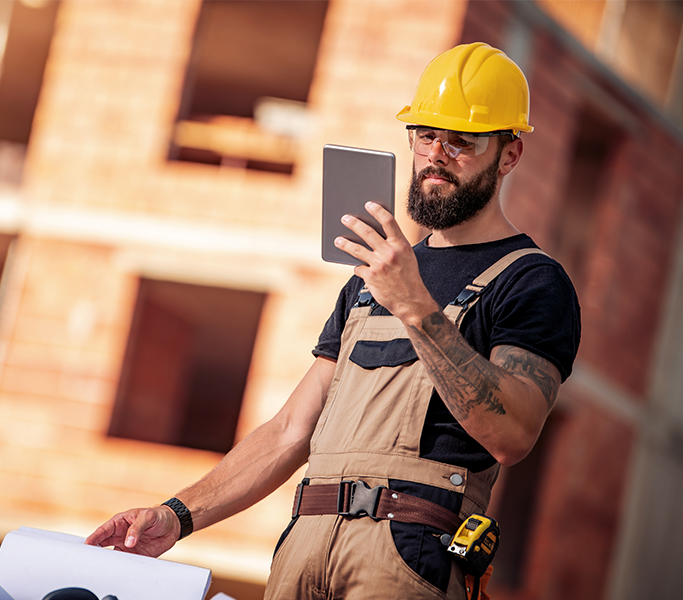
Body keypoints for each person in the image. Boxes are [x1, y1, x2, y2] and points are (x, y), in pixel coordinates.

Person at [86, 42, 580, 600]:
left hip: (408, 553)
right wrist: (177, 515)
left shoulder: (531, 281)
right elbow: (291, 430)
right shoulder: (367, 281)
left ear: (509, 154)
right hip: (304, 542)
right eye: (426, 136)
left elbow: (513, 433)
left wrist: (414, 305)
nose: (438, 154)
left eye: (462, 141)